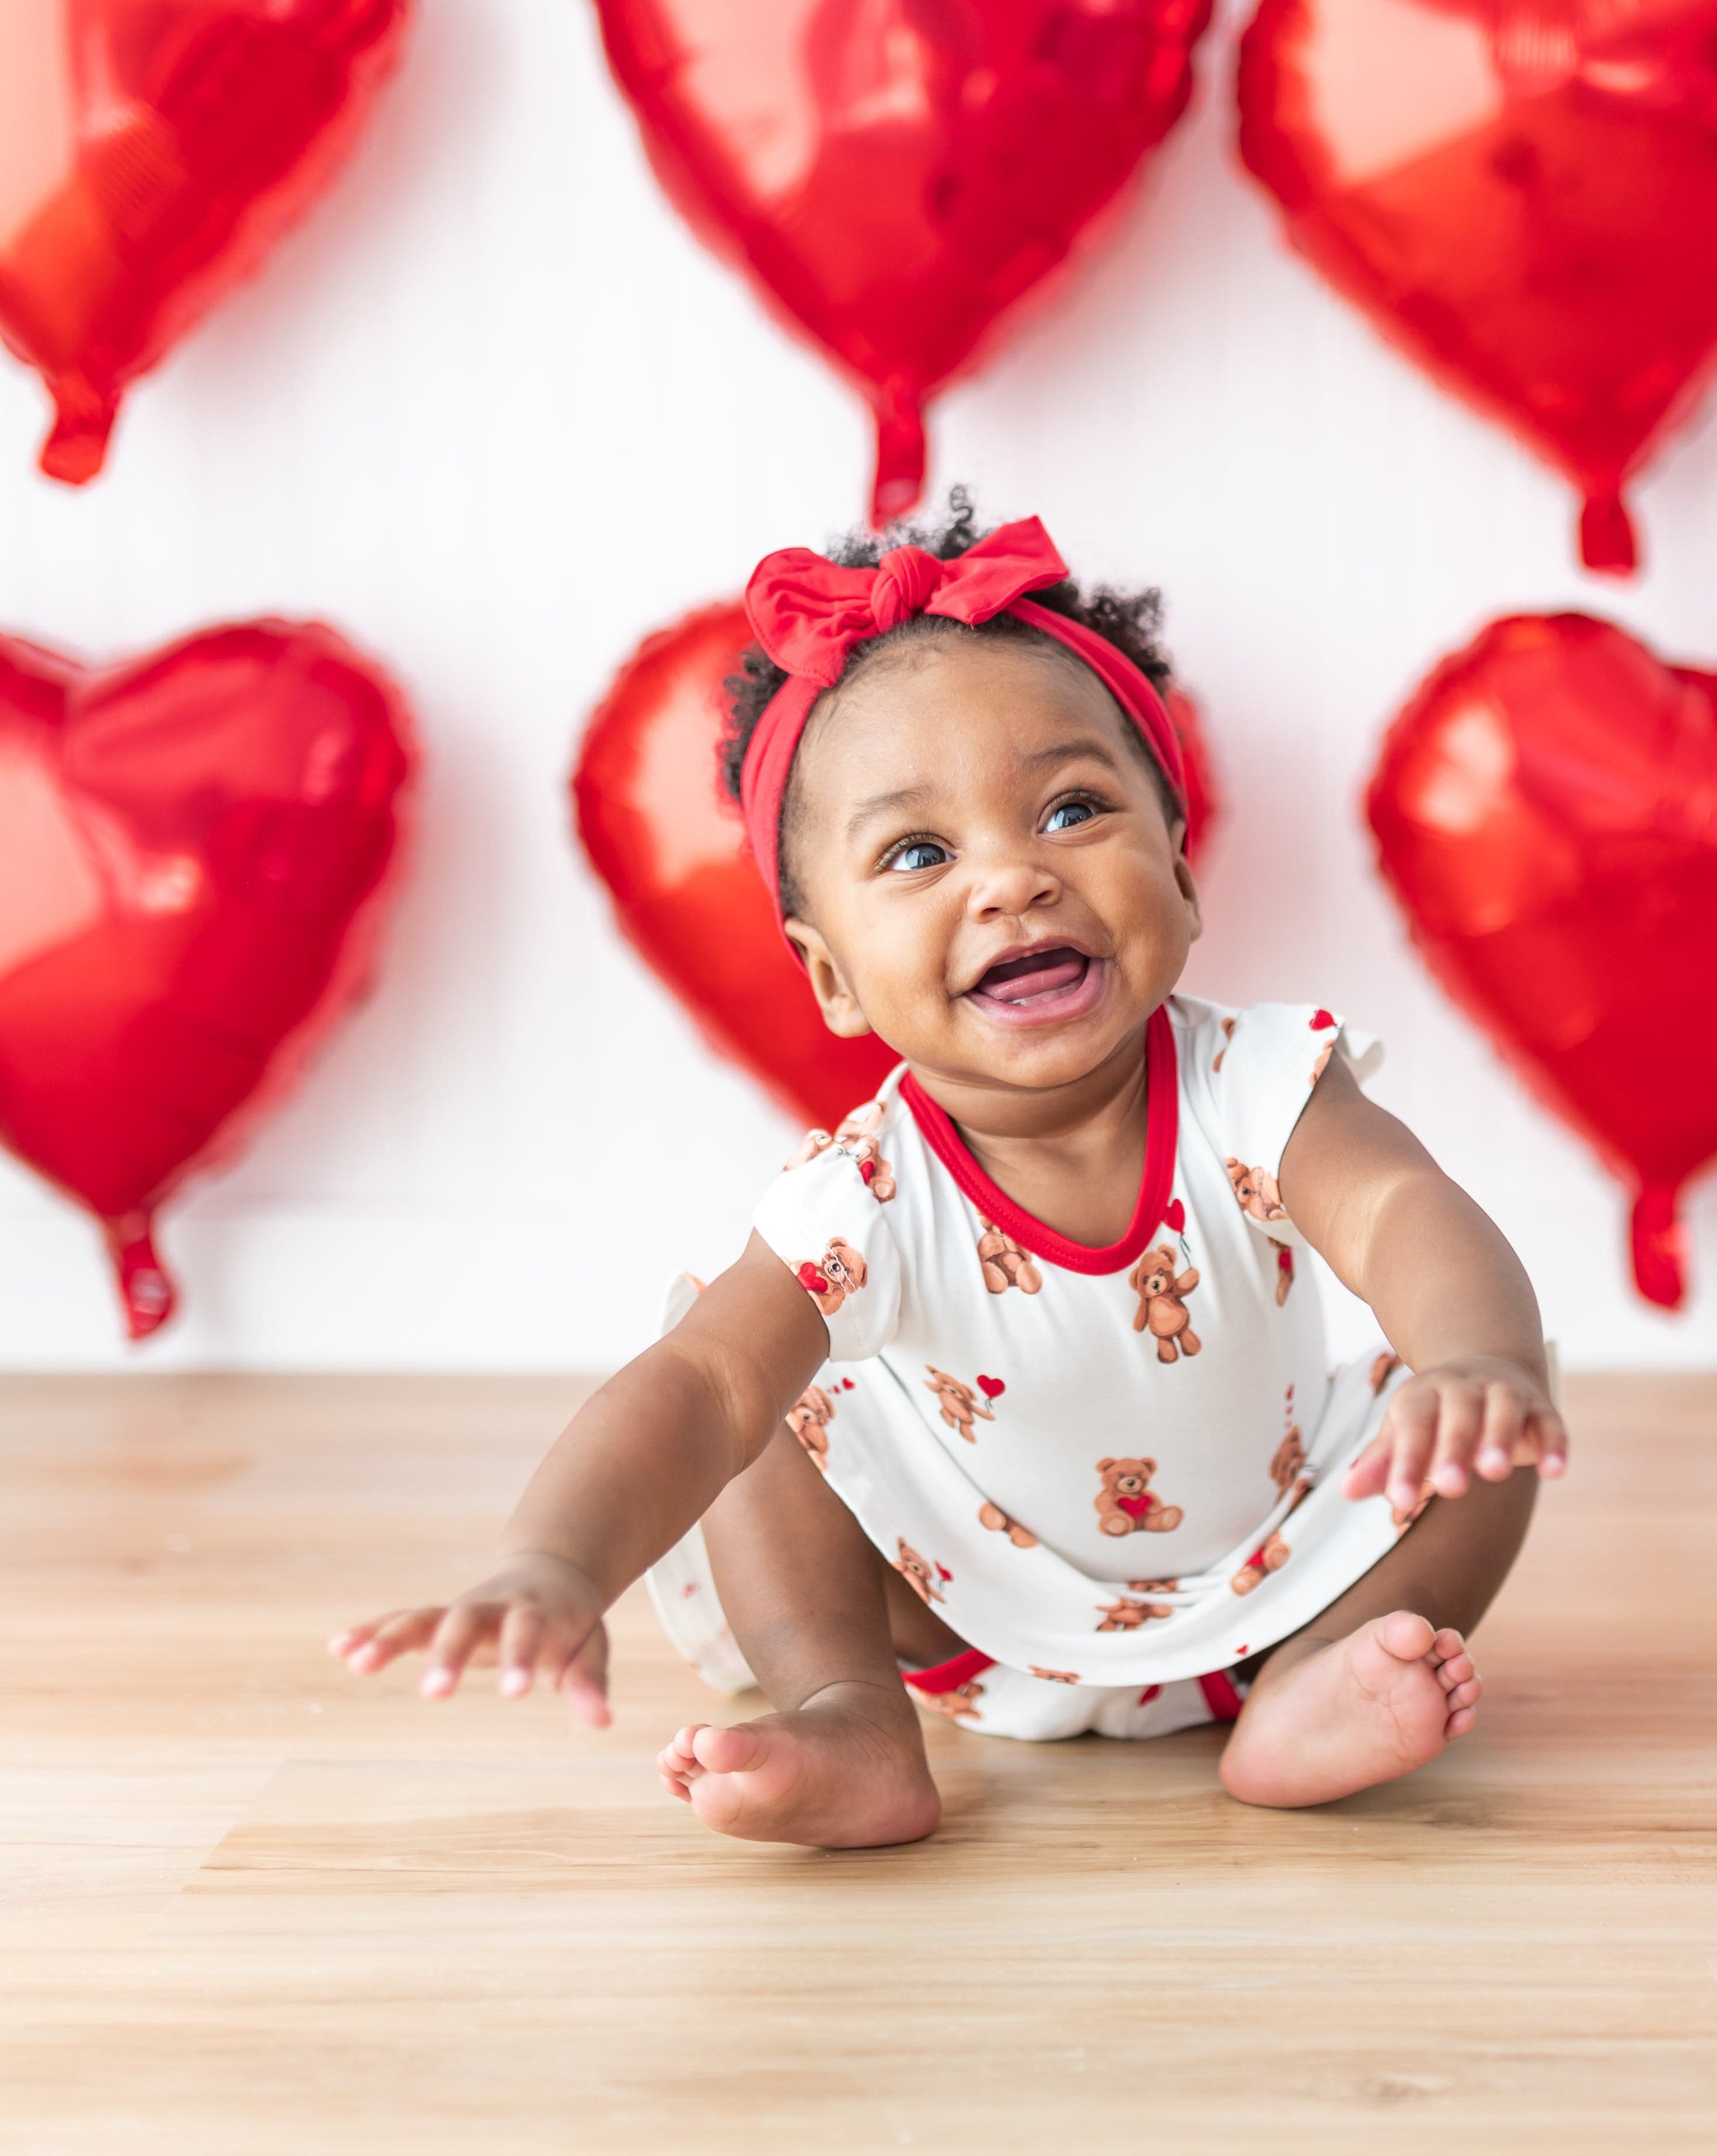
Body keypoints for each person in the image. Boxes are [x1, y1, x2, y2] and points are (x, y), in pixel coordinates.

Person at [331, 493, 1568, 1848]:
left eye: (1073, 808)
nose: (1011, 880)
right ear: (831, 976)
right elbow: (697, 1389)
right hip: (963, 1610)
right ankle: (849, 1706)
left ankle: (1314, 1679)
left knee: (1482, 1414)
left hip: (1273, 1574)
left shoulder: (1260, 1086)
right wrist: (550, 1563)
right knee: (750, 1380)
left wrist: (1473, 1362)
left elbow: (1399, 1212)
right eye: (920, 852)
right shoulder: (865, 1197)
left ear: (1182, 872)